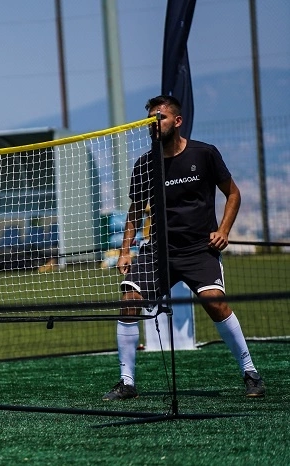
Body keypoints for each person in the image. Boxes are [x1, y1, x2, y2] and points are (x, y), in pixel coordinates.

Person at [102, 95, 265, 401]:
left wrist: (223, 231)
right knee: (129, 299)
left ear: (177, 121)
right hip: (157, 251)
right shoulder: (144, 164)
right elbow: (135, 213)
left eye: (160, 118)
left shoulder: (205, 153)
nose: (154, 124)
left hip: (199, 250)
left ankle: (250, 372)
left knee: (215, 303)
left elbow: (233, 194)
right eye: (150, 119)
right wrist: (125, 250)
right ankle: (127, 382)